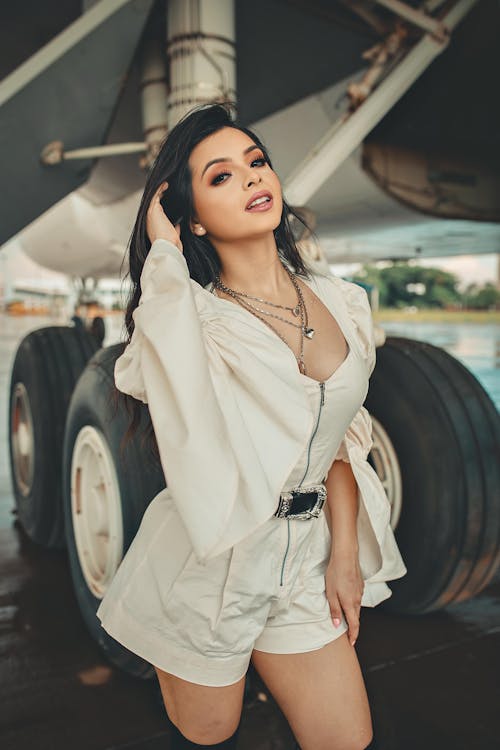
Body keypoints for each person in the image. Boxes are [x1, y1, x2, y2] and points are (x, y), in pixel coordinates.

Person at [96, 102, 407, 750]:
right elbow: (167, 375)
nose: (250, 177)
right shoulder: (196, 325)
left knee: (346, 741)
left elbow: (342, 443)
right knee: (211, 728)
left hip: (307, 557)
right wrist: (161, 251)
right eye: (220, 176)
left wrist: (344, 555)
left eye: (256, 162)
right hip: (213, 563)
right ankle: (168, 628)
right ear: (192, 220)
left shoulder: (340, 300)